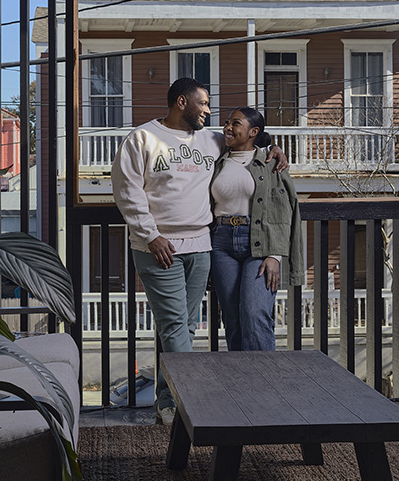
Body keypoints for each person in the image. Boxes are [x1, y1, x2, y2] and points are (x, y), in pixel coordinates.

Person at [111, 78, 288, 426]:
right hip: (159, 249)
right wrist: (150, 236)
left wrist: (275, 147)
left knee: (182, 328)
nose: (209, 110)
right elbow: (127, 192)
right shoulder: (143, 138)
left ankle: (168, 402)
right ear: (182, 102)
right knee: (176, 327)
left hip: (202, 247)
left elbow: (251, 138)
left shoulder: (210, 140)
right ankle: (193, 404)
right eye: (203, 103)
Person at [210, 107, 304, 352]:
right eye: (228, 122)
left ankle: (264, 384)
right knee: (232, 318)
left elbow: (283, 210)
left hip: (259, 242)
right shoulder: (217, 156)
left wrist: (275, 255)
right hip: (221, 242)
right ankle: (241, 383)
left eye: (236, 123)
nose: (228, 127)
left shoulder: (270, 163)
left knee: (255, 313)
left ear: (253, 131)